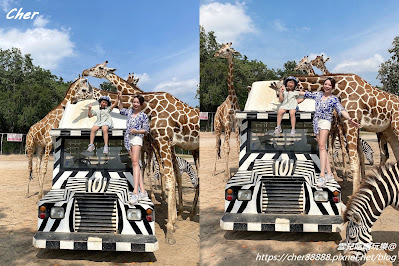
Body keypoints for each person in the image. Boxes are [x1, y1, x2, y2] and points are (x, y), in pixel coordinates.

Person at [298, 77, 360, 187]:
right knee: (322, 148)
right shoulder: (317, 95)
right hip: (316, 122)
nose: (326, 86)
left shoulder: (334, 99)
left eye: (329, 85)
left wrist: (350, 119)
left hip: (325, 122)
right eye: (325, 84)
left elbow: (341, 109)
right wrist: (290, 91)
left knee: (322, 146)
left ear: (332, 87)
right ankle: (330, 173)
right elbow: (304, 93)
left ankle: (322, 175)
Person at [118, 91, 150, 205]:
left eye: (137, 102)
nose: (135, 104)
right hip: (127, 139)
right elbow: (121, 109)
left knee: (135, 163)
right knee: (136, 164)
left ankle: (135, 192)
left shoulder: (143, 116)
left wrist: (137, 131)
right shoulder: (130, 112)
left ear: (141, 104)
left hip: (136, 138)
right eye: (134, 102)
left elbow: (146, 130)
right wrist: (120, 99)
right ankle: (143, 191)